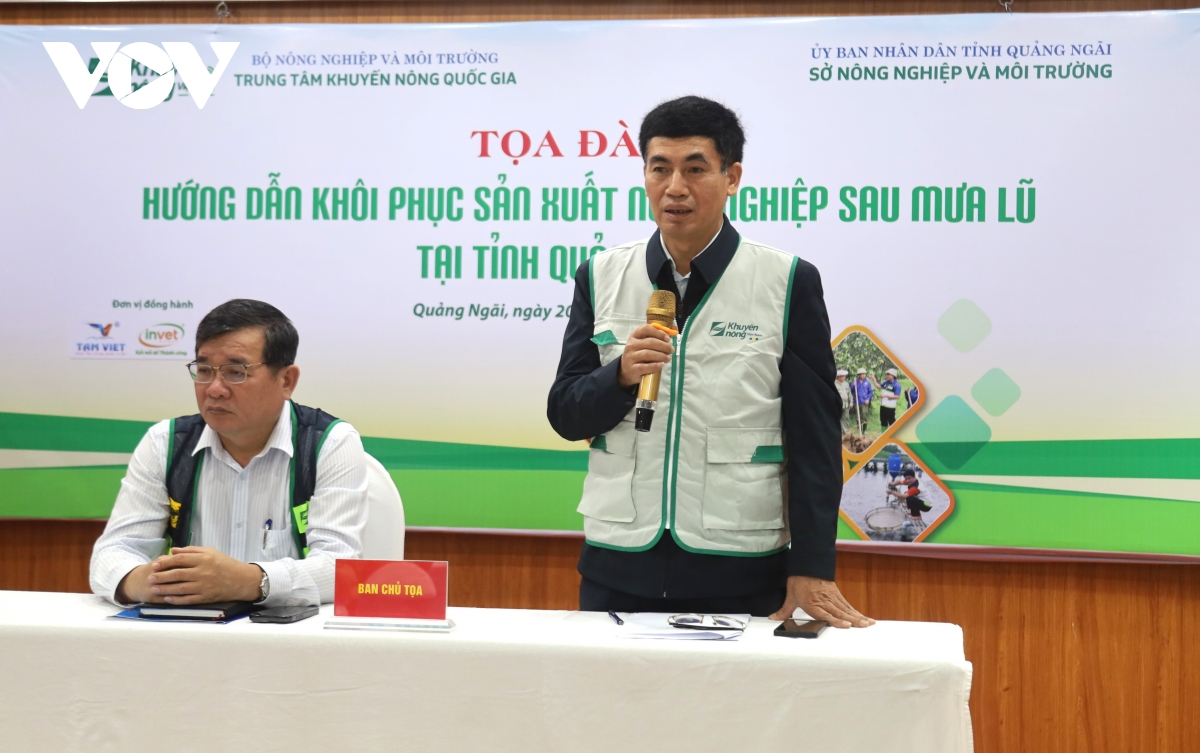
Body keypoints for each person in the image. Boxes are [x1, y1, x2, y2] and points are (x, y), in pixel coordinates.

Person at [547, 96, 871, 629]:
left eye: (695, 169)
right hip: (617, 565)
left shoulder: (786, 281)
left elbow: (815, 437)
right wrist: (620, 375)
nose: (675, 187)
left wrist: (812, 566)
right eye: (660, 169)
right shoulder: (600, 275)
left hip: (739, 568)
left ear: (731, 177)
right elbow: (565, 413)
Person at [89, 299, 369, 608]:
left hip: (288, 632)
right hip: (187, 629)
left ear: (286, 380)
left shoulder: (329, 443)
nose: (214, 389)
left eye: (236, 372)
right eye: (204, 370)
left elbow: (339, 566)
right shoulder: (166, 443)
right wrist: (152, 582)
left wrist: (247, 581)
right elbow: (112, 554)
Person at [853, 368, 874, 435]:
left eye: (864, 374)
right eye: (862, 374)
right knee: (858, 415)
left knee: (864, 415)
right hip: (857, 401)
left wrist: (868, 399)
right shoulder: (855, 382)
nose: (863, 375)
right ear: (859, 375)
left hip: (865, 402)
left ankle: (864, 430)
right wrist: (853, 385)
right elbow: (852, 390)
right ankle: (859, 428)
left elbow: (871, 392)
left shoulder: (868, 382)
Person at [835, 369, 853, 435]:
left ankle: (846, 431)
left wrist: (851, 402)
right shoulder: (834, 384)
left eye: (845, 376)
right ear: (839, 377)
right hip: (838, 405)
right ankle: (838, 431)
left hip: (846, 405)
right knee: (837, 418)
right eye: (843, 376)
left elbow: (849, 394)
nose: (844, 377)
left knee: (846, 418)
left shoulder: (846, 384)